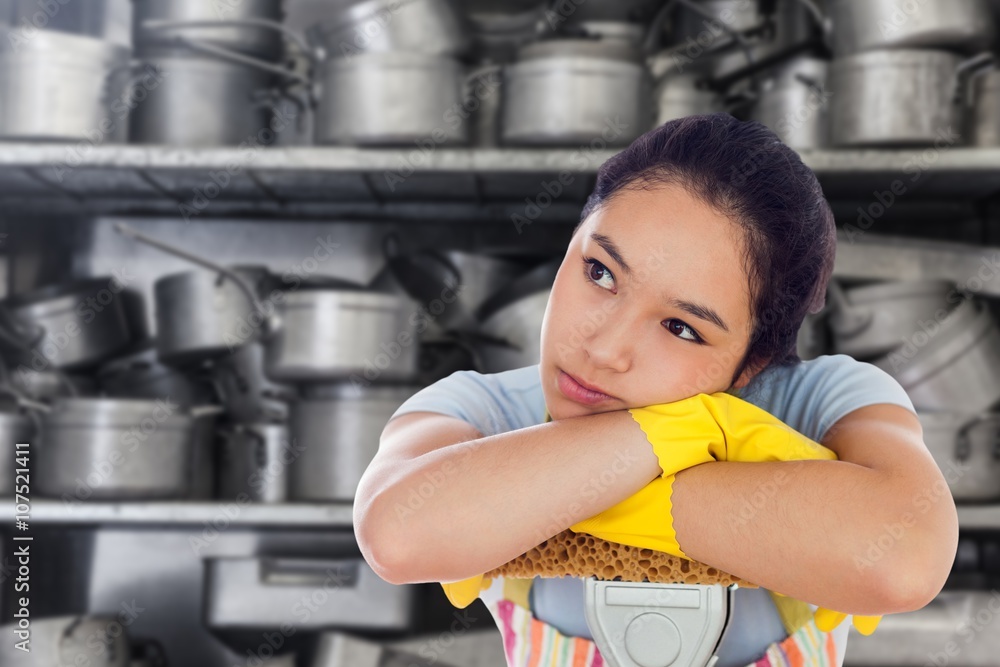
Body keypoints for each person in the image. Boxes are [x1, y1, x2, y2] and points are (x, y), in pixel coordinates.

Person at [354, 114, 958, 667]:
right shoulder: (482, 407)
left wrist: (529, 499)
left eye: (681, 328)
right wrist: (681, 432)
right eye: (600, 273)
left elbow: (904, 558)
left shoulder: (820, 403)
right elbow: (397, 532)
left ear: (752, 365)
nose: (603, 348)